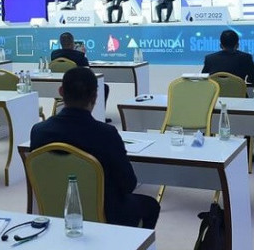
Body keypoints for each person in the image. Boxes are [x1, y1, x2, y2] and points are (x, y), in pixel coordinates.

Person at [30, 67, 160, 229]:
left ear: (61, 92)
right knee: (151, 206)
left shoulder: (38, 131)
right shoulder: (106, 134)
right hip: (105, 213)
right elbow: (128, 184)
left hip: (54, 209)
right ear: (95, 96)